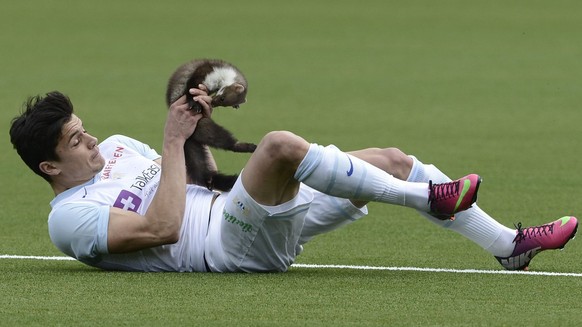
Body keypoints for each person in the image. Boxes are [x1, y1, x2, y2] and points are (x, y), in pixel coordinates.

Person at [9, 88, 578, 273]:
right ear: (49, 168)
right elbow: (162, 226)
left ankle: (510, 246)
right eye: (74, 141)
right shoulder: (69, 220)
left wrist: (200, 123)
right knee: (280, 146)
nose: (90, 140)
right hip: (227, 247)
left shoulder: (114, 148)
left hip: (239, 208)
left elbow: (190, 174)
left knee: (392, 158)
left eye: (83, 129)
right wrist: (173, 141)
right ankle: (429, 198)